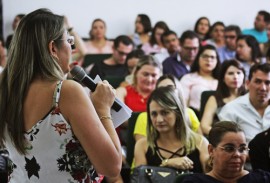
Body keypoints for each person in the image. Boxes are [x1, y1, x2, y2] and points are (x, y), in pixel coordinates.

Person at [0, 9, 122, 182]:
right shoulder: (66, 92)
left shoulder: (4, 89)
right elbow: (111, 167)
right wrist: (103, 109)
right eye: (69, 41)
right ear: (53, 48)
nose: (72, 48)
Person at [134, 86, 209, 173]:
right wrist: (166, 163)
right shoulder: (142, 145)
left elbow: (211, 177)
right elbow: (140, 178)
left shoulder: (200, 142)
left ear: (177, 113)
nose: (159, 120)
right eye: (154, 114)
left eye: (165, 113)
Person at [182, 121, 270, 183]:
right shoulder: (194, 181)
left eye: (242, 149)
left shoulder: (263, 179)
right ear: (211, 150)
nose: (237, 154)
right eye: (229, 149)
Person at [134, 74, 201, 143]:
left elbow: (200, 142)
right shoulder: (143, 117)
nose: (166, 93)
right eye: (161, 89)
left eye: (170, 89)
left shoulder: (189, 113)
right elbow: (143, 147)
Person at [218, 63, 270, 144]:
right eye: (258, 81)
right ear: (247, 84)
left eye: (268, 83)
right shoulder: (231, 109)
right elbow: (225, 146)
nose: (263, 88)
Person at [200, 60, 246, 136]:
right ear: (223, 78)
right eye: (230, 73)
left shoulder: (249, 97)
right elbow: (205, 126)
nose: (235, 77)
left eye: (239, 73)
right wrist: (223, 136)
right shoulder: (215, 98)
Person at [180, 44, 220, 114]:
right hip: (194, 116)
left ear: (217, 60)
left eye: (212, 57)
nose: (209, 60)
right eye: (205, 56)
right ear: (198, 58)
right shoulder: (188, 78)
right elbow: (182, 102)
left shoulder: (221, 81)